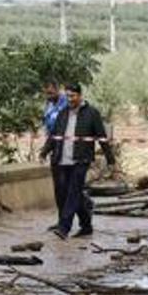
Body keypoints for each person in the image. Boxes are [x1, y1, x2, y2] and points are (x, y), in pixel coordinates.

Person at [40, 83, 115, 239]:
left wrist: (110, 159)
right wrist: (44, 152)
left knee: (73, 192)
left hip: (81, 159)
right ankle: (86, 224)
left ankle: (64, 227)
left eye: (73, 96)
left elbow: (101, 137)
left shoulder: (92, 113)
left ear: (80, 96)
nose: (70, 99)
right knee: (67, 193)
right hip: (61, 159)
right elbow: (54, 136)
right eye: (67, 96)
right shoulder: (63, 113)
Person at [42, 80, 70, 231]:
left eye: (51, 92)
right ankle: (61, 221)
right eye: (46, 93)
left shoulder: (66, 104)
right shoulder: (49, 105)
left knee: (69, 187)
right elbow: (50, 130)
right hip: (55, 149)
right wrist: (45, 150)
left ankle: (85, 208)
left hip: (69, 150)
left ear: (58, 89)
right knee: (59, 189)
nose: (48, 96)